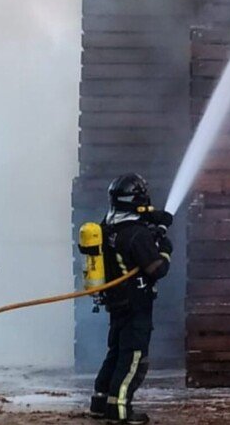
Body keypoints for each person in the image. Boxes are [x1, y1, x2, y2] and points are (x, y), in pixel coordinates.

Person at [89, 173, 173, 425]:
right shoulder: (137, 235)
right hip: (136, 305)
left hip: (117, 302)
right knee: (134, 358)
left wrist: (153, 219)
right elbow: (156, 269)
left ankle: (100, 403)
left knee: (116, 353)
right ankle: (120, 410)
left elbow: (131, 230)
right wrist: (164, 249)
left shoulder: (107, 226)